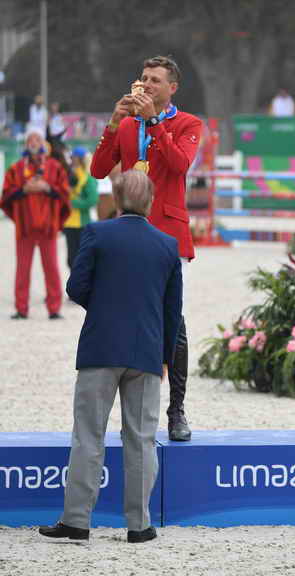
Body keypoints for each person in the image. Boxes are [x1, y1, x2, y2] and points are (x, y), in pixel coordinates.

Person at [39, 169, 182, 543]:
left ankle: (77, 521)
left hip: (101, 346)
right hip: (147, 350)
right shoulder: (168, 245)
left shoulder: (97, 234)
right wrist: (166, 357)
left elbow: (75, 286)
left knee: (88, 435)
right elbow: (173, 311)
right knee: (141, 438)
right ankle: (139, 525)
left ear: (116, 200)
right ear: (151, 201)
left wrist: (102, 308)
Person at [90, 55, 202, 442]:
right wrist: (112, 122)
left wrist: (154, 121)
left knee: (173, 321)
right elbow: (98, 170)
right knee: (127, 317)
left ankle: (177, 409)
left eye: (155, 80)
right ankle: (133, 414)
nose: (147, 85)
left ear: (173, 88)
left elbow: (179, 164)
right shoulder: (126, 124)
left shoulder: (187, 123)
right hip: (128, 231)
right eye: (143, 78)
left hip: (167, 234)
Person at [0, 127, 70, 319]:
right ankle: (21, 309)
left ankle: (54, 308)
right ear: (25, 144)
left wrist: (47, 188)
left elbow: (64, 194)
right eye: (30, 139)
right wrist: (24, 189)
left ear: (43, 144)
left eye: (37, 139)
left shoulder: (55, 167)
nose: (34, 142)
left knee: (52, 268)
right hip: (24, 227)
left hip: (48, 227)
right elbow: (6, 195)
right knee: (22, 269)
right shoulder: (16, 168)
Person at [63, 147, 98, 269]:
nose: (73, 160)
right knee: (71, 260)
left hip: (83, 223)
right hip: (69, 224)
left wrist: (73, 203)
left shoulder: (88, 178)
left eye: (75, 158)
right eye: (72, 158)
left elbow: (93, 199)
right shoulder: (67, 175)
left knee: (81, 259)